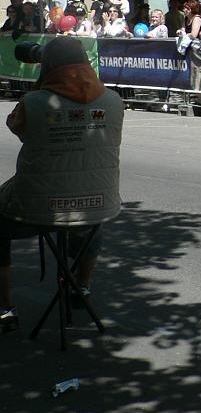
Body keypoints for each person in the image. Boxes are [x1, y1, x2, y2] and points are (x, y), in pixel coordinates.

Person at [1, 37, 123, 332]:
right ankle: (82, 285)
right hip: (97, 206)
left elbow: (17, 127)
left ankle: (5, 307)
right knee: (92, 209)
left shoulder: (34, 103)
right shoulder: (114, 101)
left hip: (38, 207)